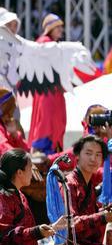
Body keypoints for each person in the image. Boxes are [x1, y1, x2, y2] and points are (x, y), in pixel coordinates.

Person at [26, 14, 68, 153]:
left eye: (61, 27)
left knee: (53, 121)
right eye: (58, 27)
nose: (61, 30)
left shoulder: (51, 44)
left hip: (54, 91)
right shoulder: (44, 42)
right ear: (50, 28)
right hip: (48, 93)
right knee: (46, 122)